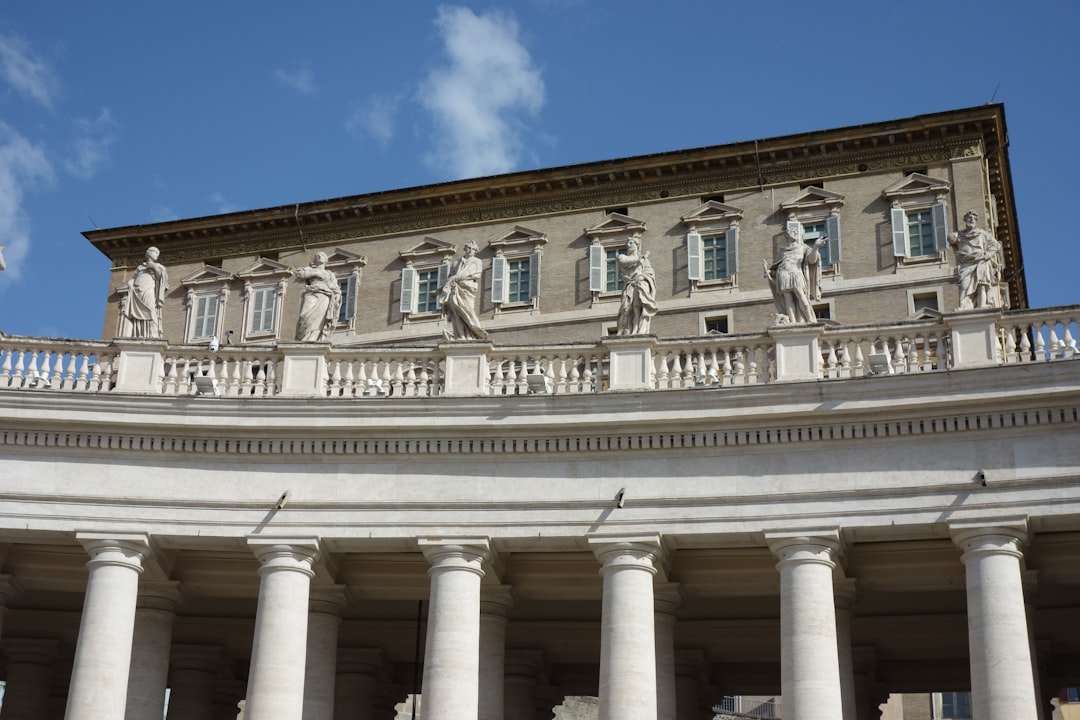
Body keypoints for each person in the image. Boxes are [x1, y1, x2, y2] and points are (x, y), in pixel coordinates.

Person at [763, 226, 825, 324]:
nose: (796, 233)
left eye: (797, 232)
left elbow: (812, 260)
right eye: (793, 231)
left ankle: (810, 319)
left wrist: (815, 247)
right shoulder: (782, 251)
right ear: (787, 235)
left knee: (801, 295)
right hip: (783, 274)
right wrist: (770, 272)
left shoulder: (803, 247)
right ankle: (793, 322)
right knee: (788, 298)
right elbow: (778, 265)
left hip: (796, 273)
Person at [949, 210, 1001, 309]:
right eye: (969, 218)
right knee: (964, 285)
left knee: (982, 284)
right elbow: (950, 239)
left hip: (981, 261)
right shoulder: (960, 235)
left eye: (973, 218)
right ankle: (963, 307)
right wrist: (951, 238)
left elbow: (996, 245)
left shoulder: (982, 233)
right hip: (966, 264)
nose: (971, 220)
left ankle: (982, 305)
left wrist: (988, 255)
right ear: (965, 220)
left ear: (976, 221)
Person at [437, 241, 488, 341]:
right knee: (456, 315)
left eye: (473, 249)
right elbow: (450, 277)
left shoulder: (477, 261)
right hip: (455, 289)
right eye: (468, 248)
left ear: (475, 251)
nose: (470, 250)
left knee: (468, 311)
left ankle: (471, 334)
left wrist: (458, 277)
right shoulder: (456, 263)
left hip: (467, 289)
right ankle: (461, 336)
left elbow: (477, 274)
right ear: (465, 249)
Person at [292, 251, 342, 342]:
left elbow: (334, 287)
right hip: (311, 293)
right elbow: (299, 274)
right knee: (304, 315)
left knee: (319, 319)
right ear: (314, 260)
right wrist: (315, 273)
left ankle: (313, 338)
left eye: (322, 255)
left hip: (324, 296)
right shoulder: (309, 269)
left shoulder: (329, 274)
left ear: (326, 260)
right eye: (317, 255)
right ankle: (303, 336)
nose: (319, 256)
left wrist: (338, 295)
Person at [616, 234, 658, 335]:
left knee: (637, 308)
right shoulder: (622, 257)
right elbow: (625, 262)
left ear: (636, 245)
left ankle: (636, 330)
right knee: (625, 308)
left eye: (631, 243)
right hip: (629, 286)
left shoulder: (644, 261)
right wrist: (641, 258)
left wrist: (643, 277)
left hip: (639, 285)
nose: (628, 245)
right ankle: (622, 330)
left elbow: (650, 272)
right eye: (627, 243)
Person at [125, 246, 169, 337]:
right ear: (148, 253)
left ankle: (150, 334)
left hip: (149, 289)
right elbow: (133, 278)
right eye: (155, 252)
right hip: (138, 290)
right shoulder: (140, 267)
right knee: (137, 312)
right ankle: (139, 334)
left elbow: (162, 277)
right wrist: (130, 283)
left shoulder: (159, 266)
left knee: (150, 309)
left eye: (158, 253)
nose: (157, 255)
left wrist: (154, 267)